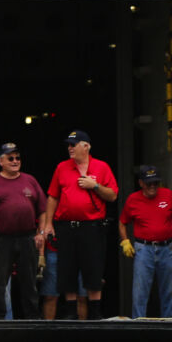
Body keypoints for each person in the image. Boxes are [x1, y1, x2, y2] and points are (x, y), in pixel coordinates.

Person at [39, 129, 118, 319]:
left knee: (93, 270)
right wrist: (48, 224)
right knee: (67, 270)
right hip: (66, 227)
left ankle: (96, 313)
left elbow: (113, 195)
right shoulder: (62, 168)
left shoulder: (101, 167)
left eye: (73, 145)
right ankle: (70, 313)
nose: (70, 148)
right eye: (68, 145)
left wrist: (95, 186)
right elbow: (52, 197)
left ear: (86, 146)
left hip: (92, 227)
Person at [0, 142, 46, 319]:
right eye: (10, 158)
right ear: (1, 161)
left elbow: (42, 209)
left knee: (29, 283)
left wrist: (41, 233)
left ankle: (32, 321)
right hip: (2, 239)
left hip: (27, 237)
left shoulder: (30, 180)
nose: (15, 161)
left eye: (17, 158)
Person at [121, 164, 172, 318]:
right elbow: (122, 222)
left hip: (167, 248)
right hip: (143, 249)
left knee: (169, 292)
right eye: (149, 183)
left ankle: (170, 329)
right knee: (140, 294)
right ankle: (138, 328)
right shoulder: (133, 199)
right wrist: (125, 241)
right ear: (141, 183)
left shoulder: (167, 195)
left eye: (156, 183)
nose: (153, 186)